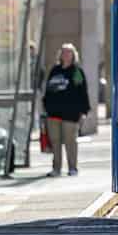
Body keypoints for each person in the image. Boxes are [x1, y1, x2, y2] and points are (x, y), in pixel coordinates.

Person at [42, 43, 90, 177]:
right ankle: (56, 168)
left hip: (71, 113)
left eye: (69, 52)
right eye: (63, 52)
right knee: (55, 142)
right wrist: (46, 106)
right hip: (53, 114)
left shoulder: (76, 72)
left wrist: (84, 111)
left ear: (73, 55)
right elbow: (47, 90)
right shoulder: (55, 70)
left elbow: (82, 92)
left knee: (70, 142)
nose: (66, 55)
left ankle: (72, 168)